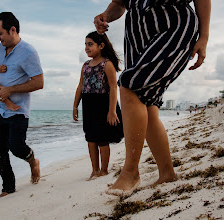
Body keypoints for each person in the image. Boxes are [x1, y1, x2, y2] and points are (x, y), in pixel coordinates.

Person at [94, 0, 211, 196]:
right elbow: (120, 3)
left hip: (172, 22)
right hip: (136, 32)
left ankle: (131, 172)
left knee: (130, 84)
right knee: (147, 104)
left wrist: (204, 36)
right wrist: (106, 15)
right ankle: (167, 173)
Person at [0, 12, 44, 199]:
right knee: (0, 151)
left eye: (0, 33)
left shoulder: (28, 52)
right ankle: (8, 188)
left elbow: (39, 82)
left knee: (16, 147)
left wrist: (10, 90)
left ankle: (32, 161)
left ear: (12, 30)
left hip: (18, 112)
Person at [73, 31, 124, 180]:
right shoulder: (85, 66)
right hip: (88, 105)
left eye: (90, 44)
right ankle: (94, 170)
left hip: (103, 104)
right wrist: (75, 106)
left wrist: (112, 110)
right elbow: (80, 86)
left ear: (101, 46)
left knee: (102, 139)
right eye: (85, 44)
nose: (87, 48)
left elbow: (114, 88)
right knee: (90, 138)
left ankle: (104, 170)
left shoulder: (107, 64)